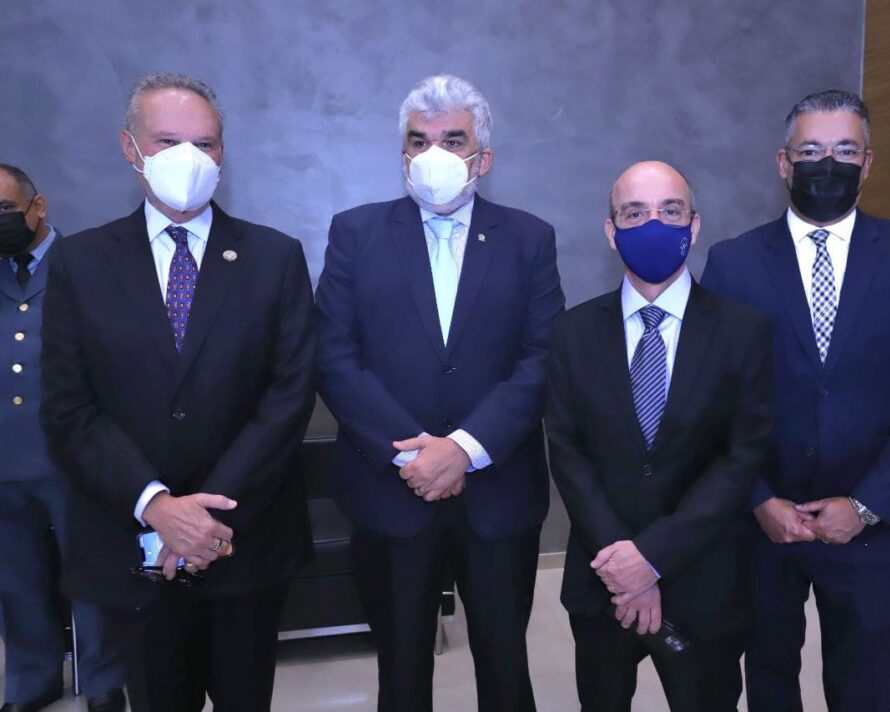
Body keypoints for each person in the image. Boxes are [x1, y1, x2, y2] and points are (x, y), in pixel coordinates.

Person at [39, 73, 316, 712]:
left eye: (206, 143)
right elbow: (70, 408)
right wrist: (158, 506)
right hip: (132, 542)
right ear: (130, 148)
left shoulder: (275, 257)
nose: (189, 158)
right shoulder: (81, 263)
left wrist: (204, 520)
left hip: (244, 541)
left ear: (222, 153)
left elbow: (288, 397)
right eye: (168, 141)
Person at [701, 89, 890, 712]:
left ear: (868, 164)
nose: (828, 164)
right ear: (783, 163)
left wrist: (866, 505)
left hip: (872, 526)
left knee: (866, 689)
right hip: (766, 525)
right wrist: (759, 500)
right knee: (769, 681)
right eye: (811, 150)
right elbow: (713, 398)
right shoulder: (733, 263)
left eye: (845, 151)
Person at [316, 74, 564, 711]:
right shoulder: (355, 233)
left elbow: (542, 358)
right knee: (401, 674)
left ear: (483, 158)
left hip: (499, 494)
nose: (434, 155)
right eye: (418, 141)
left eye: (452, 141)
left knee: (506, 672)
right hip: (391, 492)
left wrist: (464, 449)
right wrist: (415, 455)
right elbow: (334, 356)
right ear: (402, 153)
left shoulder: (529, 239)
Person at [546, 161, 772, 711]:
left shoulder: (743, 332)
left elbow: (741, 458)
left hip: (705, 580)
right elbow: (569, 454)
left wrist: (652, 558)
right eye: (634, 213)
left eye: (670, 211)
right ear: (611, 231)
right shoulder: (572, 332)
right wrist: (624, 566)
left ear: (694, 225)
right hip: (603, 579)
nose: (653, 225)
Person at [0, 165, 125, 712]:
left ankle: (103, 679)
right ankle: (33, 679)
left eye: (5, 209)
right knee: (16, 580)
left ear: (38, 207)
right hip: (6, 459)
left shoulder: (88, 264)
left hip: (75, 453)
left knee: (92, 573)